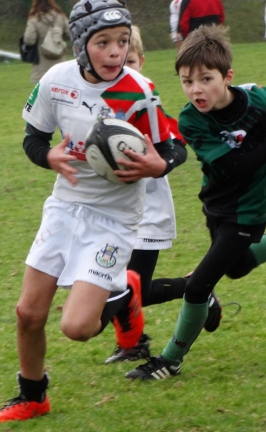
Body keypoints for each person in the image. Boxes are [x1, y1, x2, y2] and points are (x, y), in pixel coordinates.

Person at [0, 0, 188, 423]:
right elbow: (34, 138)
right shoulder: (55, 81)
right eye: (103, 43)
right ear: (81, 45)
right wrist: (48, 158)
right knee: (28, 313)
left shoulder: (140, 90)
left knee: (77, 328)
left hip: (114, 220)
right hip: (64, 207)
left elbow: (174, 144)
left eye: (121, 41)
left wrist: (160, 164)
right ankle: (33, 395)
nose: (115, 52)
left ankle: (125, 297)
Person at [125, 25, 266, 381]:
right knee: (238, 266)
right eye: (186, 81)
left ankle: (170, 360)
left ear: (228, 77)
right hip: (217, 203)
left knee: (199, 287)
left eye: (205, 79)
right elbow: (233, 167)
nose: (196, 89)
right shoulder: (190, 119)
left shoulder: (258, 98)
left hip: (250, 209)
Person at [104, 25, 224, 365]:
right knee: (108, 280)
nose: (121, 68)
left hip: (147, 207)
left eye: (129, 61)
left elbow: (177, 143)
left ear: (141, 61)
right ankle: (135, 340)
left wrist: (158, 162)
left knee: (132, 288)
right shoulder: (98, 104)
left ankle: (196, 290)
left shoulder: (147, 107)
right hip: (109, 209)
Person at [23, 0, 71, 84]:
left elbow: (29, 40)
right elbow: (70, 34)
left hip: (42, 64)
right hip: (60, 62)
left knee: (44, 92)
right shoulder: (60, 15)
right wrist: (58, 37)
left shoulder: (34, 19)